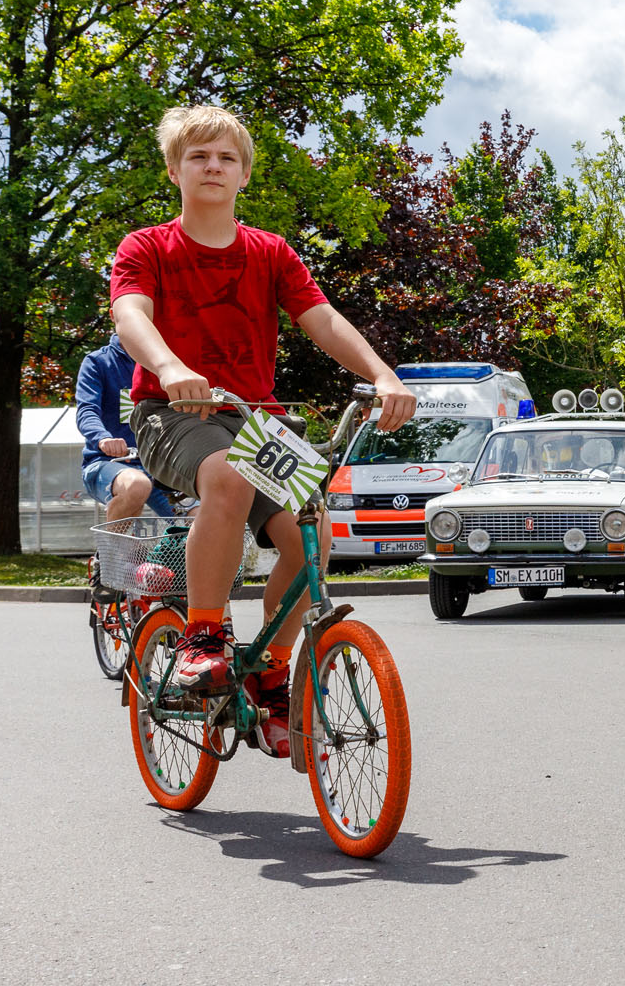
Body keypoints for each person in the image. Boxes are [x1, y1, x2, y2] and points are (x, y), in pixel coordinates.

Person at [111, 104, 416, 758]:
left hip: (254, 419)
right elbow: (130, 314)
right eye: (198, 156)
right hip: (174, 412)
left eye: (225, 157)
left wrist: (383, 375)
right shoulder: (147, 247)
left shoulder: (269, 253)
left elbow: (323, 319)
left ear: (244, 174)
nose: (212, 166)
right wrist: (169, 367)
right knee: (224, 475)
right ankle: (201, 639)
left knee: (313, 536)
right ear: (175, 170)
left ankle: (273, 675)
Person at [76, 334, 176, 524]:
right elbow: (87, 410)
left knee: (200, 517)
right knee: (136, 485)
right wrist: (102, 438)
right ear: (115, 316)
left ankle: (169, 551)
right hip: (108, 462)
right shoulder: (98, 362)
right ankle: (110, 553)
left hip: (160, 467)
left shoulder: (167, 363)